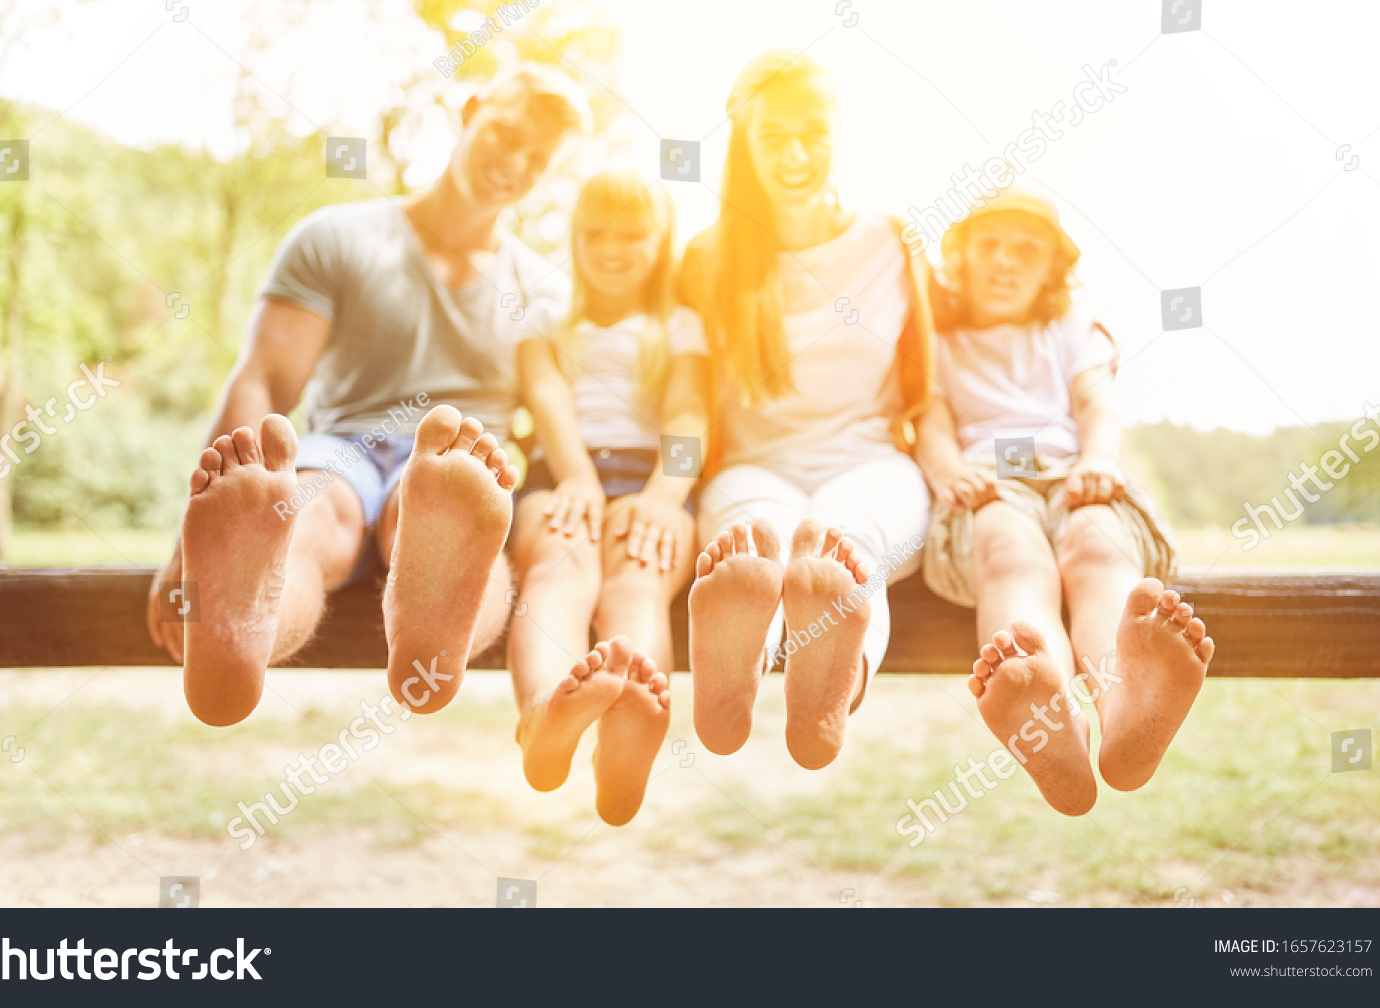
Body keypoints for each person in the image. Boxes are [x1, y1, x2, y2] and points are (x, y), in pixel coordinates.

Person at [145, 65, 591, 727]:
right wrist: (190, 544)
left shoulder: (539, 287)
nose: (515, 162)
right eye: (507, 133)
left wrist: (581, 478)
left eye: (538, 159)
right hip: (344, 449)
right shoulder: (339, 238)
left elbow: (552, 401)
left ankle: (434, 610)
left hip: (459, 467)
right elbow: (264, 378)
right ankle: (242, 630)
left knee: (447, 519)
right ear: (470, 110)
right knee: (309, 517)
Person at [915, 189, 1212, 816]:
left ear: (1053, 267)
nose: (1006, 261)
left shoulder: (1071, 331)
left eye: (1027, 250)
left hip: (1080, 476)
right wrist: (942, 468)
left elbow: (1096, 406)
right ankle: (1052, 717)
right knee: (1008, 551)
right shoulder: (937, 343)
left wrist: (1100, 460)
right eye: (989, 245)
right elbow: (932, 424)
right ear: (961, 257)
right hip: (990, 483)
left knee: (1097, 548)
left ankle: (1125, 702)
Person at [680, 50, 936, 771]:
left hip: (873, 462)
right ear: (745, 144)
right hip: (754, 467)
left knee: (846, 547)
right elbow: (681, 396)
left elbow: (936, 378)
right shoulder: (706, 259)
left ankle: (830, 690)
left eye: (812, 131)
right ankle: (739, 667)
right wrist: (663, 488)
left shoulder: (892, 241)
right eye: (773, 137)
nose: (795, 154)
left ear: (839, 130)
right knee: (756, 541)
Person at [508, 169, 707, 824]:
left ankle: (628, 729)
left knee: (637, 579)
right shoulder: (547, 315)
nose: (612, 248)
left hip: (650, 479)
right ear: (574, 238)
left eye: (632, 233)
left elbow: (688, 418)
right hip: (563, 472)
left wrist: (663, 496)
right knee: (559, 565)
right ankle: (544, 711)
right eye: (595, 233)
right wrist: (576, 478)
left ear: (662, 240)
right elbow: (547, 398)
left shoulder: (679, 326)